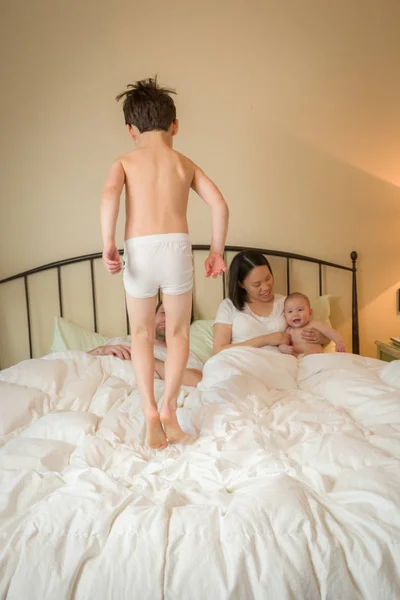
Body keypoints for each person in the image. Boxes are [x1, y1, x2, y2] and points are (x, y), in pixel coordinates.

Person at [100, 77, 229, 449]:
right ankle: (171, 409)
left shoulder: (124, 161)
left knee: (140, 334)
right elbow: (219, 205)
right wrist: (216, 251)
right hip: (176, 249)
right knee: (178, 334)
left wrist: (108, 243)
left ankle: (150, 414)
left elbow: (110, 194)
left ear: (130, 130)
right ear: (175, 125)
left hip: (138, 249)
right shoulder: (183, 163)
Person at [213, 250, 328, 354]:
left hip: (279, 365)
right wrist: (266, 339)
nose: (266, 287)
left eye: (268, 278)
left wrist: (321, 338)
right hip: (239, 362)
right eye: (256, 284)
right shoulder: (228, 306)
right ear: (241, 284)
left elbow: (314, 333)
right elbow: (219, 350)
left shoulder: (287, 304)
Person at [88, 302, 203, 387]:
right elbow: (78, 361)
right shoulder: (120, 341)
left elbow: (198, 381)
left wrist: (147, 360)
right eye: (163, 313)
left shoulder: (183, 355)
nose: (168, 319)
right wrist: (99, 351)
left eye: (176, 316)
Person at [279, 292, 346, 356]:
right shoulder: (289, 331)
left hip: (315, 357)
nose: (295, 314)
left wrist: (339, 342)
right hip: (299, 359)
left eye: (300, 310)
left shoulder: (314, 324)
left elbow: (330, 332)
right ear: (285, 316)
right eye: (290, 311)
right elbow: (282, 343)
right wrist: (284, 348)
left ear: (310, 312)